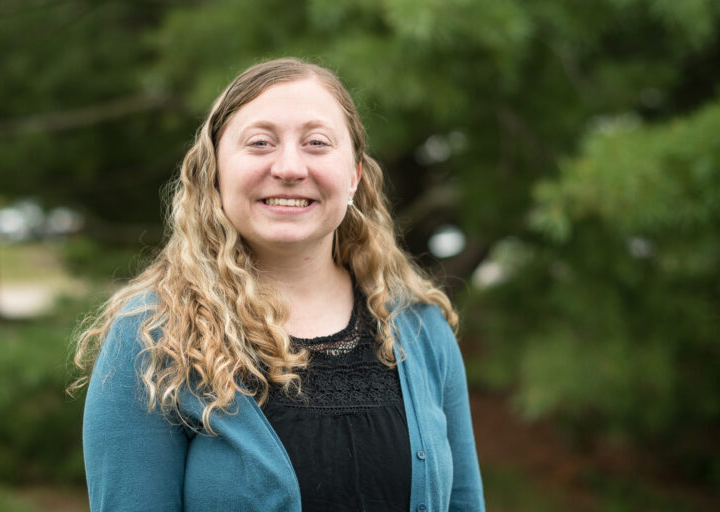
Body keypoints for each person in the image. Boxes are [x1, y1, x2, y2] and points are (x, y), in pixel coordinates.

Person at [72, 57, 484, 512]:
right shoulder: (153, 337)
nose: (289, 167)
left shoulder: (420, 328)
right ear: (215, 172)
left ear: (354, 176)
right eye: (261, 142)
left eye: (317, 143)